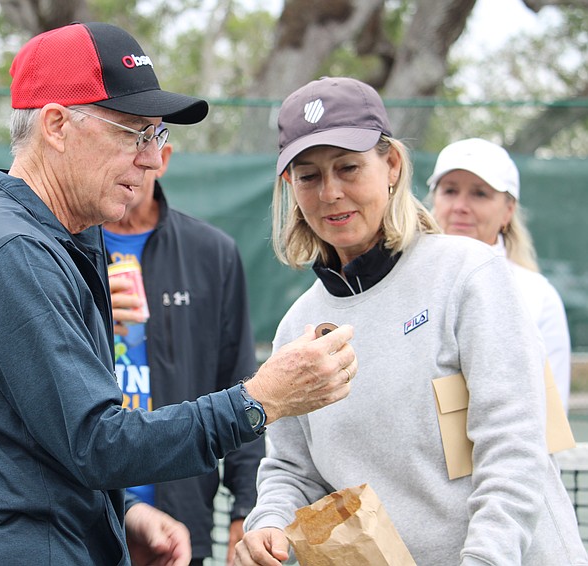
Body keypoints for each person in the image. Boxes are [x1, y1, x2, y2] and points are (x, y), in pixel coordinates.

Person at [0, 23, 359, 566]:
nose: (152, 159)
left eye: (158, 136)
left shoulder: (55, 240)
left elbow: (40, 446)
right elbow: (97, 442)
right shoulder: (15, 252)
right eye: (134, 132)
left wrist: (121, 515)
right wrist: (258, 400)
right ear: (56, 125)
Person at [235, 77, 587, 565]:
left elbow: (513, 447)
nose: (331, 192)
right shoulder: (300, 323)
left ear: (392, 165)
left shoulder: (468, 275)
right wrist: (270, 521)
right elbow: (292, 468)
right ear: (291, 186)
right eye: (309, 176)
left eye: (349, 167)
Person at [104, 132, 264, 565]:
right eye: (116, 146)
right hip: (83, 524)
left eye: (141, 150)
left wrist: (245, 509)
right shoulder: (61, 251)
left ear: (163, 158)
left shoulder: (213, 253)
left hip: (180, 530)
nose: (130, 165)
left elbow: (242, 384)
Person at [427, 138, 572, 412]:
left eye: (479, 194)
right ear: (434, 199)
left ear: (508, 210)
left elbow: (551, 415)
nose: (460, 205)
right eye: (449, 190)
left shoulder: (538, 296)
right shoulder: (404, 282)